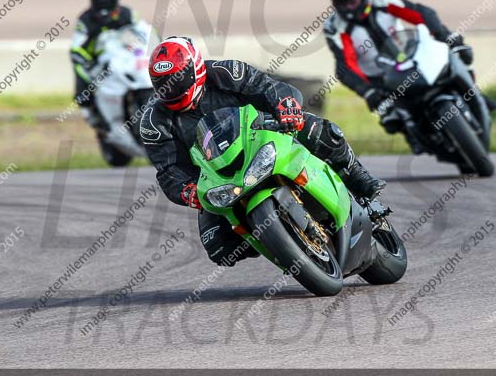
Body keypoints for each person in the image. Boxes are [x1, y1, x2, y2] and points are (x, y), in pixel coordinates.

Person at [139, 37, 386, 267]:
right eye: (163, 84)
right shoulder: (153, 121)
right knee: (219, 248)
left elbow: (267, 86)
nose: (172, 88)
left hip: (263, 135)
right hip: (218, 177)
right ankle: (276, 237)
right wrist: (187, 190)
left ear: (196, 69)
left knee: (321, 131)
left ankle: (357, 175)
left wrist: (286, 105)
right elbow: (168, 169)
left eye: (178, 80)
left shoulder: (226, 72)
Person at [323, 0, 495, 151]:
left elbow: (420, 15)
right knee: (390, 118)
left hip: (410, 57)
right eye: (343, 4)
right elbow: (345, 66)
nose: (349, 8)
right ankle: (413, 134)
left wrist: (448, 38)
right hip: (379, 80)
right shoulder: (335, 27)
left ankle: (475, 95)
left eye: (353, 1)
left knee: (458, 58)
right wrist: (367, 91)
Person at [70, 0, 137, 127]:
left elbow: (142, 33)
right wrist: (87, 63)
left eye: (106, 1)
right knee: (81, 76)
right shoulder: (85, 19)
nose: (103, 5)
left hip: (126, 58)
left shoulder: (128, 14)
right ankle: (90, 112)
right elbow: (76, 47)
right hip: (98, 62)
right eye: (99, 1)